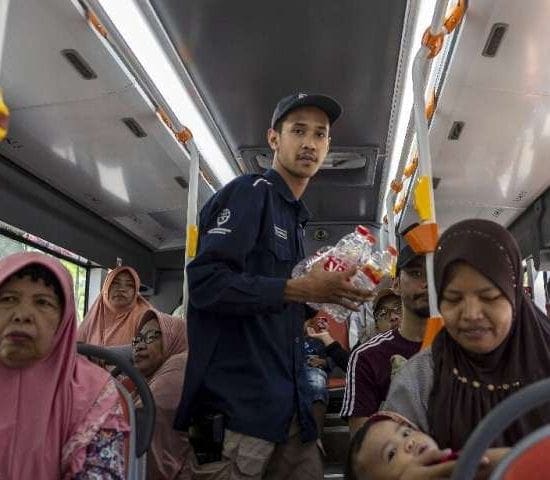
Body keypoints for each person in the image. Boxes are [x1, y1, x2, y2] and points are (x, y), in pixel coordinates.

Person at [175, 93, 373, 480]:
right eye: (298, 131)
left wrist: (327, 297)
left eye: (320, 134)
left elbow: (272, 299)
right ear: (273, 139)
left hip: (290, 405)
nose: (309, 143)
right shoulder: (251, 194)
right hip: (239, 412)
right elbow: (205, 283)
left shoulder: (294, 219)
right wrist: (300, 290)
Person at [384, 219, 550, 450]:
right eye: (453, 299)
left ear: (515, 297)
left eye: (489, 297)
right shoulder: (420, 381)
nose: (471, 314)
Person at [0, 252, 130, 479]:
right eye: (8, 299)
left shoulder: (95, 395)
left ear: (64, 319)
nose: (21, 315)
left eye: (43, 302)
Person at [341, 246, 428, 436]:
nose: (427, 282)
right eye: (416, 273)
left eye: (434, 271)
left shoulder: (464, 347)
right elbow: (362, 442)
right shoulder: (367, 356)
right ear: (396, 284)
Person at [344, 411, 508, 480]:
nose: (409, 443)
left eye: (406, 433)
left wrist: (461, 464)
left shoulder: (452, 462)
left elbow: (516, 458)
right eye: (391, 453)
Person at [132, 309, 190, 480]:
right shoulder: (148, 378)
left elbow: (143, 420)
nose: (140, 345)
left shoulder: (179, 367)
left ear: (173, 339)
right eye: (138, 339)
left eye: (152, 336)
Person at [78, 265, 152, 346]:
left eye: (129, 285)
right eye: (115, 283)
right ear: (106, 287)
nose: (122, 289)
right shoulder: (95, 314)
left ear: (136, 291)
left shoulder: (146, 317)